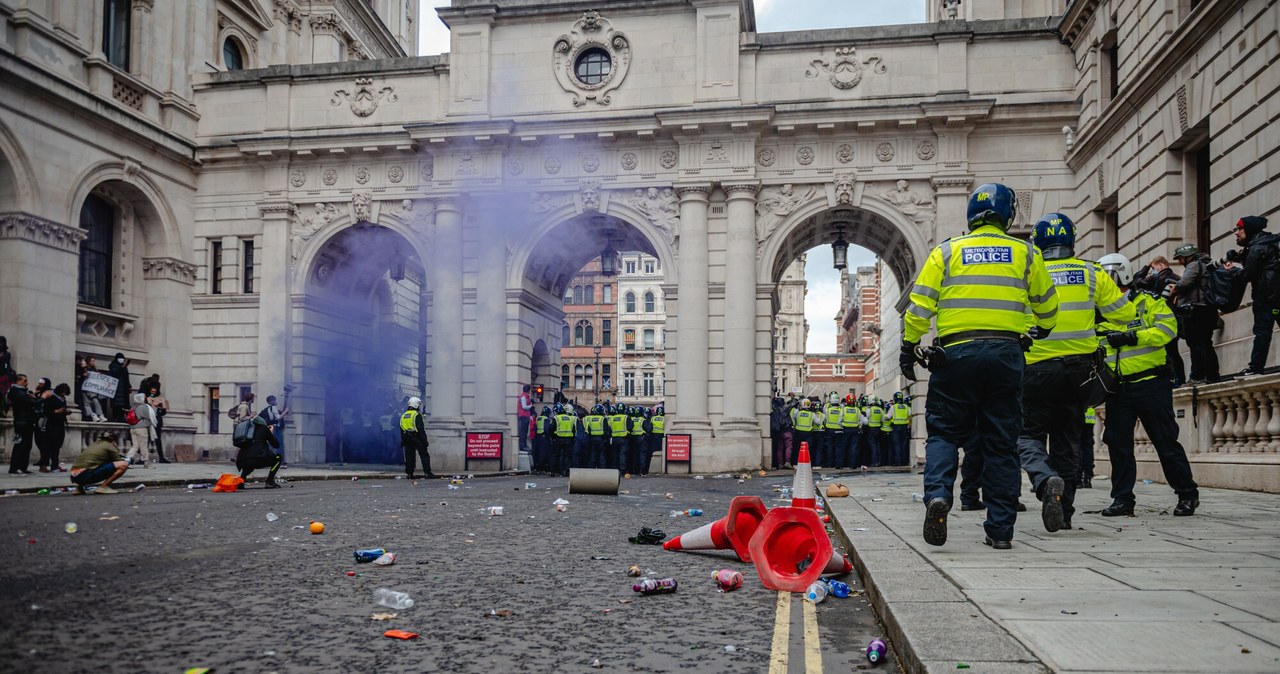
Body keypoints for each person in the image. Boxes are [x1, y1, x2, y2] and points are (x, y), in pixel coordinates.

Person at [902, 183, 1059, 550]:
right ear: (1007, 215)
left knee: (943, 434)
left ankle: (939, 496)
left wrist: (909, 346)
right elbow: (1047, 308)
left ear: (971, 215)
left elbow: (919, 306)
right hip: (1006, 355)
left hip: (955, 355)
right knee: (1001, 445)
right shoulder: (1026, 252)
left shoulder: (947, 252)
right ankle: (1000, 532)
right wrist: (1041, 328)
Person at [1018, 213, 1135, 534]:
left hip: (1037, 369)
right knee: (1067, 438)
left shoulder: (1029, 273)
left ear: (1037, 242)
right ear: (1071, 240)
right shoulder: (1091, 272)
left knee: (1026, 435)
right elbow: (1124, 314)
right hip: (1080, 371)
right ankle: (1064, 510)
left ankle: (1044, 481)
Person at [1096, 253, 1200, 517]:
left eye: (1110, 278)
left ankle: (1187, 494)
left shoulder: (1149, 301)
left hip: (1151, 383)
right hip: (1118, 388)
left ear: (1124, 275)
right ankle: (1122, 499)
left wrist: (1133, 336)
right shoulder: (1098, 310)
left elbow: (1168, 330)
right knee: (1118, 446)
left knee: (1165, 441)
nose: (1107, 284)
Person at [1232, 216, 1280, 376]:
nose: (1236, 233)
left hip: (1266, 297)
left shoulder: (1256, 248)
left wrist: (1231, 272)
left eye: (1239, 229)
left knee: (1262, 332)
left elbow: (1247, 275)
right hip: (1274, 295)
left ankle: (1255, 367)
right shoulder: (1267, 243)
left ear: (1250, 230)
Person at [1171, 244, 1220, 384]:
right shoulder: (1206, 264)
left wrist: (1175, 289)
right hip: (1208, 309)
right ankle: (1212, 375)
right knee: (1205, 343)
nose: (1180, 262)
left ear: (1187, 256)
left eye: (1180, 258)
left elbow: (1184, 283)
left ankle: (1197, 376)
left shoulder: (1194, 265)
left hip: (1196, 310)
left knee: (1196, 344)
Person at [35, 380, 71, 473]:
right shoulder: (51, 397)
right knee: (48, 445)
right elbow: (46, 411)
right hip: (51, 424)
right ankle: (44, 465)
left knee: (57, 446)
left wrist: (65, 411)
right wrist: (56, 411)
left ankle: (55, 465)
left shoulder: (63, 399)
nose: (63, 394)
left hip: (59, 423)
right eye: (62, 392)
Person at [237, 416, 282, 487]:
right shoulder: (264, 429)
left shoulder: (248, 429)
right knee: (278, 458)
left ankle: (241, 482)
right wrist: (270, 433)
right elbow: (276, 445)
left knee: (249, 461)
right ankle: (270, 481)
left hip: (242, 460)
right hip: (259, 459)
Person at [399, 396, 434, 479]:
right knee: (424, 455)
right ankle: (427, 473)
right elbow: (420, 429)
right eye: (418, 405)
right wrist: (424, 441)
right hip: (416, 437)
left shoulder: (403, 415)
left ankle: (409, 474)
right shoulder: (417, 415)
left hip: (406, 438)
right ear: (415, 405)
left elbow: (401, 428)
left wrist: (403, 440)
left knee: (409, 456)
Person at [7, 374, 36, 474]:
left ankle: (23, 467)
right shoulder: (17, 392)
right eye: (25, 381)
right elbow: (31, 403)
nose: (27, 383)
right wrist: (43, 397)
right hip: (21, 423)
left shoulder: (23, 392)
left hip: (27, 421)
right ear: (18, 381)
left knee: (27, 445)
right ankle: (14, 468)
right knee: (20, 445)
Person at [126, 392, 157, 467]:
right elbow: (152, 415)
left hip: (133, 428)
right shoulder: (144, 407)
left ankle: (127, 461)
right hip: (141, 428)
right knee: (143, 446)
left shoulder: (133, 407)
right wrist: (152, 406)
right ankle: (146, 463)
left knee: (135, 446)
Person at [143, 378, 170, 463]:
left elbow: (163, 412)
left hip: (157, 421)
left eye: (154, 391)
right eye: (152, 391)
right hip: (149, 420)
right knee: (146, 440)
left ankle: (161, 457)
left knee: (158, 440)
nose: (153, 392)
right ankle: (144, 458)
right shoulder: (145, 398)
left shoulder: (160, 399)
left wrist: (161, 408)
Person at [259, 393, 288, 464]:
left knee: (270, 444)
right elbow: (278, 417)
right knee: (279, 444)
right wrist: (285, 412)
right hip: (276, 428)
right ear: (271, 401)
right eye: (274, 400)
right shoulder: (273, 408)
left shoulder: (268, 409)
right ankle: (279, 461)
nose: (275, 401)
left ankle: (266, 459)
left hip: (270, 428)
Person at [79, 356, 109, 422]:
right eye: (92, 361)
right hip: (85, 388)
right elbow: (80, 377)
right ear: (88, 361)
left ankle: (100, 415)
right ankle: (93, 415)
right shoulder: (85, 368)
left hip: (92, 389)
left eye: (94, 361)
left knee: (95, 401)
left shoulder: (94, 369)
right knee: (87, 403)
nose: (93, 362)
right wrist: (83, 374)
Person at [552, 403, 577, 477]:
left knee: (555, 455)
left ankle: (554, 471)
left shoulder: (556, 418)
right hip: (568, 440)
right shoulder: (570, 418)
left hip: (558, 439)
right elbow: (573, 429)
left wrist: (553, 436)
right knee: (567, 456)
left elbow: (551, 428)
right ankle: (566, 471)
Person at [889, 392, 913, 467]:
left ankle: (898, 462)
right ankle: (904, 462)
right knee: (904, 445)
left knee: (897, 445)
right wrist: (908, 424)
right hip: (904, 427)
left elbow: (889, 416)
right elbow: (910, 415)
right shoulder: (906, 407)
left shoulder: (893, 407)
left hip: (896, 427)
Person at [583, 404, 609, 469]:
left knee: (593, 455)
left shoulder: (591, 419)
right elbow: (606, 430)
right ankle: (602, 469)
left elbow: (589, 429)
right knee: (602, 455)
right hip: (601, 439)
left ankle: (592, 468)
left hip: (593, 439)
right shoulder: (603, 419)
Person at [107, 353, 131, 422]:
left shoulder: (124, 367)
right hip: (115, 388)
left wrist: (129, 386)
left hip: (123, 389)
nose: (122, 360)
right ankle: (116, 417)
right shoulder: (113, 365)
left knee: (123, 404)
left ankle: (122, 417)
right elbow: (115, 373)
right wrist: (122, 367)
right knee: (116, 404)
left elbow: (126, 377)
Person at [1079, 406, 1097, 488]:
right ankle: (1087, 476)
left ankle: (1078, 477)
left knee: (1078, 446)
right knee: (1088, 447)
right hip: (1090, 415)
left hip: (1079, 412)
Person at [645, 404, 664, 475]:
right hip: (661, 437)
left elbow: (649, 428)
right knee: (660, 452)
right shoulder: (665, 418)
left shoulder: (653, 418)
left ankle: (650, 468)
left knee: (652, 453)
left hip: (653, 437)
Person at [517, 385, 535, 453]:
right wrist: (531, 406)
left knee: (525, 432)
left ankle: (524, 445)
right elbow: (524, 407)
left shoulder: (525, 397)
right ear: (528, 390)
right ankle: (523, 446)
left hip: (525, 416)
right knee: (523, 432)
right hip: (523, 416)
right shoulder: (523, 397)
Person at [0, 336, 12, 417]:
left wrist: (11, 371)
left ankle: (4, 410)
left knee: (5, 394)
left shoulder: (7, 354)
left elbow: (7, 365)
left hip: (4, 375)